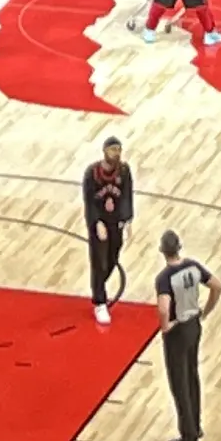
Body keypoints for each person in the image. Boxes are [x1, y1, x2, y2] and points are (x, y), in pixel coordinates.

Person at [154, 229, 218, 441]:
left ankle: (189, 437)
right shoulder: (193, 266)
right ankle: (196, 425)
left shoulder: (164, 278)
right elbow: (217, 286)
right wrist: (206, 311)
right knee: (192, 375)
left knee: (178, 383)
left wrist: (165, 327)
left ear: (163, 252)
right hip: (194, 324)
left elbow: (163, 308)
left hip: (177, 330)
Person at [83, 138, 134, 321]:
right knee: (99, 262)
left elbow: (127, 196)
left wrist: (127, 219)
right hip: (100, 224)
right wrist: (96, 222)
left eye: (119, 149)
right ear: (105, 151)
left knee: (113, 258)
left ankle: (97, 285)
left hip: (116, 222)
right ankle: (99, 302)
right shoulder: (92, 173)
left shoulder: (124, 171)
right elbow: (89, 201)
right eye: (113, 149)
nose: (117, 153)